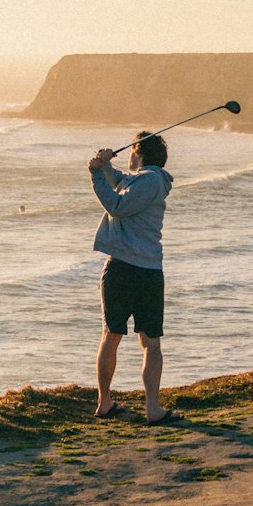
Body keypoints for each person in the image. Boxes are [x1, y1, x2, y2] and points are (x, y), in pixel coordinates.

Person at [88, 131, 180, 425]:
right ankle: (119, 404)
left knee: (119, 337)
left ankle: (135, 406)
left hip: (128, 270)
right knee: (146, 341)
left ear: (138, 153)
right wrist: (104, 168)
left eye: (132, 151)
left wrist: (96, 176)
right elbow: (123, 184)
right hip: (148, 270)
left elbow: (117, 205)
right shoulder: (146, 181)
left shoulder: (148, 181)